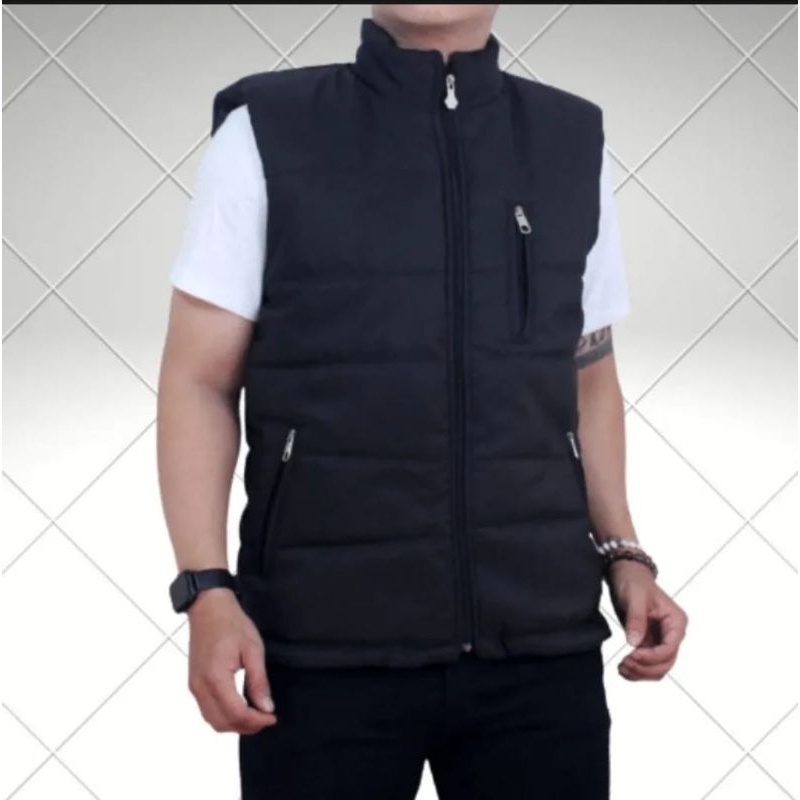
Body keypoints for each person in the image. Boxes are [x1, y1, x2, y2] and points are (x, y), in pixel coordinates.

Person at [157, 5, 689, 798]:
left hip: (541, 648)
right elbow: (198, 380)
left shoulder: (569, 140)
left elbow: (588, 373)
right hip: (321, 652)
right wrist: (206, 590)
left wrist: (624, 555)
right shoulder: (267, 130)